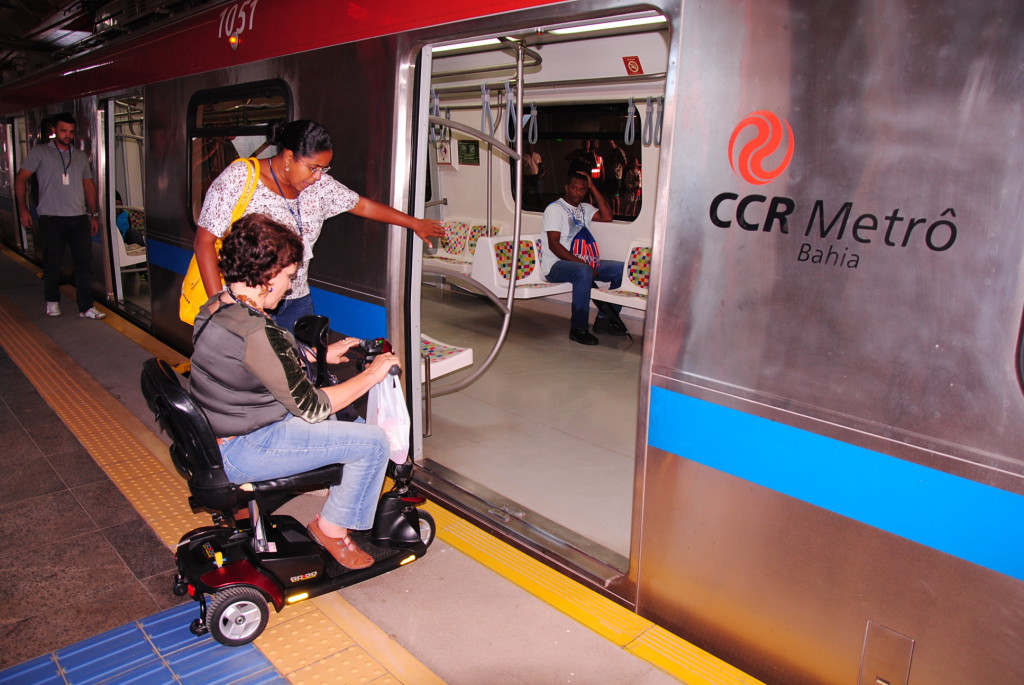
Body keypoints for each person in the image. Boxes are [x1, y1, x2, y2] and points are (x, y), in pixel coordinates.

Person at [188, 213, 398, 569]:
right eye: (288, 277)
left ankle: (338, 498)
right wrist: (373, 375)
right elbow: (313, 407)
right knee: (373, 442)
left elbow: (252, 361)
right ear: (267, 276)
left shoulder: (216, 305)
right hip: (248, 444)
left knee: (340, 421)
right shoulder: (258, 331)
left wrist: (315, 355)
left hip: (220, 434)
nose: (289, 286)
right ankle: (331, 529)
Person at [195, 119, 444, 333]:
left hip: (297, 299)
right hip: (247, 302)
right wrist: (221, 307)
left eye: (324, 169)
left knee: (304, 373)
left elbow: (362, 206)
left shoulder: (319, 186)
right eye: (313, 168)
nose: (318, 176)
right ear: (290, 156)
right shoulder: (240, 178)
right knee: (255, 381)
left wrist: (414, 223)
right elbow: (204, 241)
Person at [15, 112, 105, 320]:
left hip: (78, 217)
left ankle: (86, 307)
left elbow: (88, 185)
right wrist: (23, 209)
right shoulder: (39, 153)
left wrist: (94, 214)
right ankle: (52, 301)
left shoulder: (80, 156)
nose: (67, 135)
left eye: (71, 132)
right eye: (63, 131)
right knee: (52, 263)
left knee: (83, 264)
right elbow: (21, 179)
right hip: (51, 218)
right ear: (54, 131)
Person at [542, 172, 627, 345]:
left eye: (582, 189)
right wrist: (583, 264)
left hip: (583, 260)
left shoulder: (585, 208)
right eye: (574, 188)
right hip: (555, 264)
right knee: (583, 271)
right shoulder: (554, 209)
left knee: (621, 270)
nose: (577, 193)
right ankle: (578, 329)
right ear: (566, 188)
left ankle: (604, 320)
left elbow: (607, 216)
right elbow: (554, 245)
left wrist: (593, 187)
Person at [521, 143, 544, 210]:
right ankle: (525, 205)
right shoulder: (523, 156)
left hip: (536, 176)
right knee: (526, 191)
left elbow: (540, 165)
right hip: (527, 176)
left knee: (538, 191)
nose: (530, 149)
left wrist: (542, 173)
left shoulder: (537, 155)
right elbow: (522, 167)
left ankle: (540, 206)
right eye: (528, 147)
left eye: (531, 147)